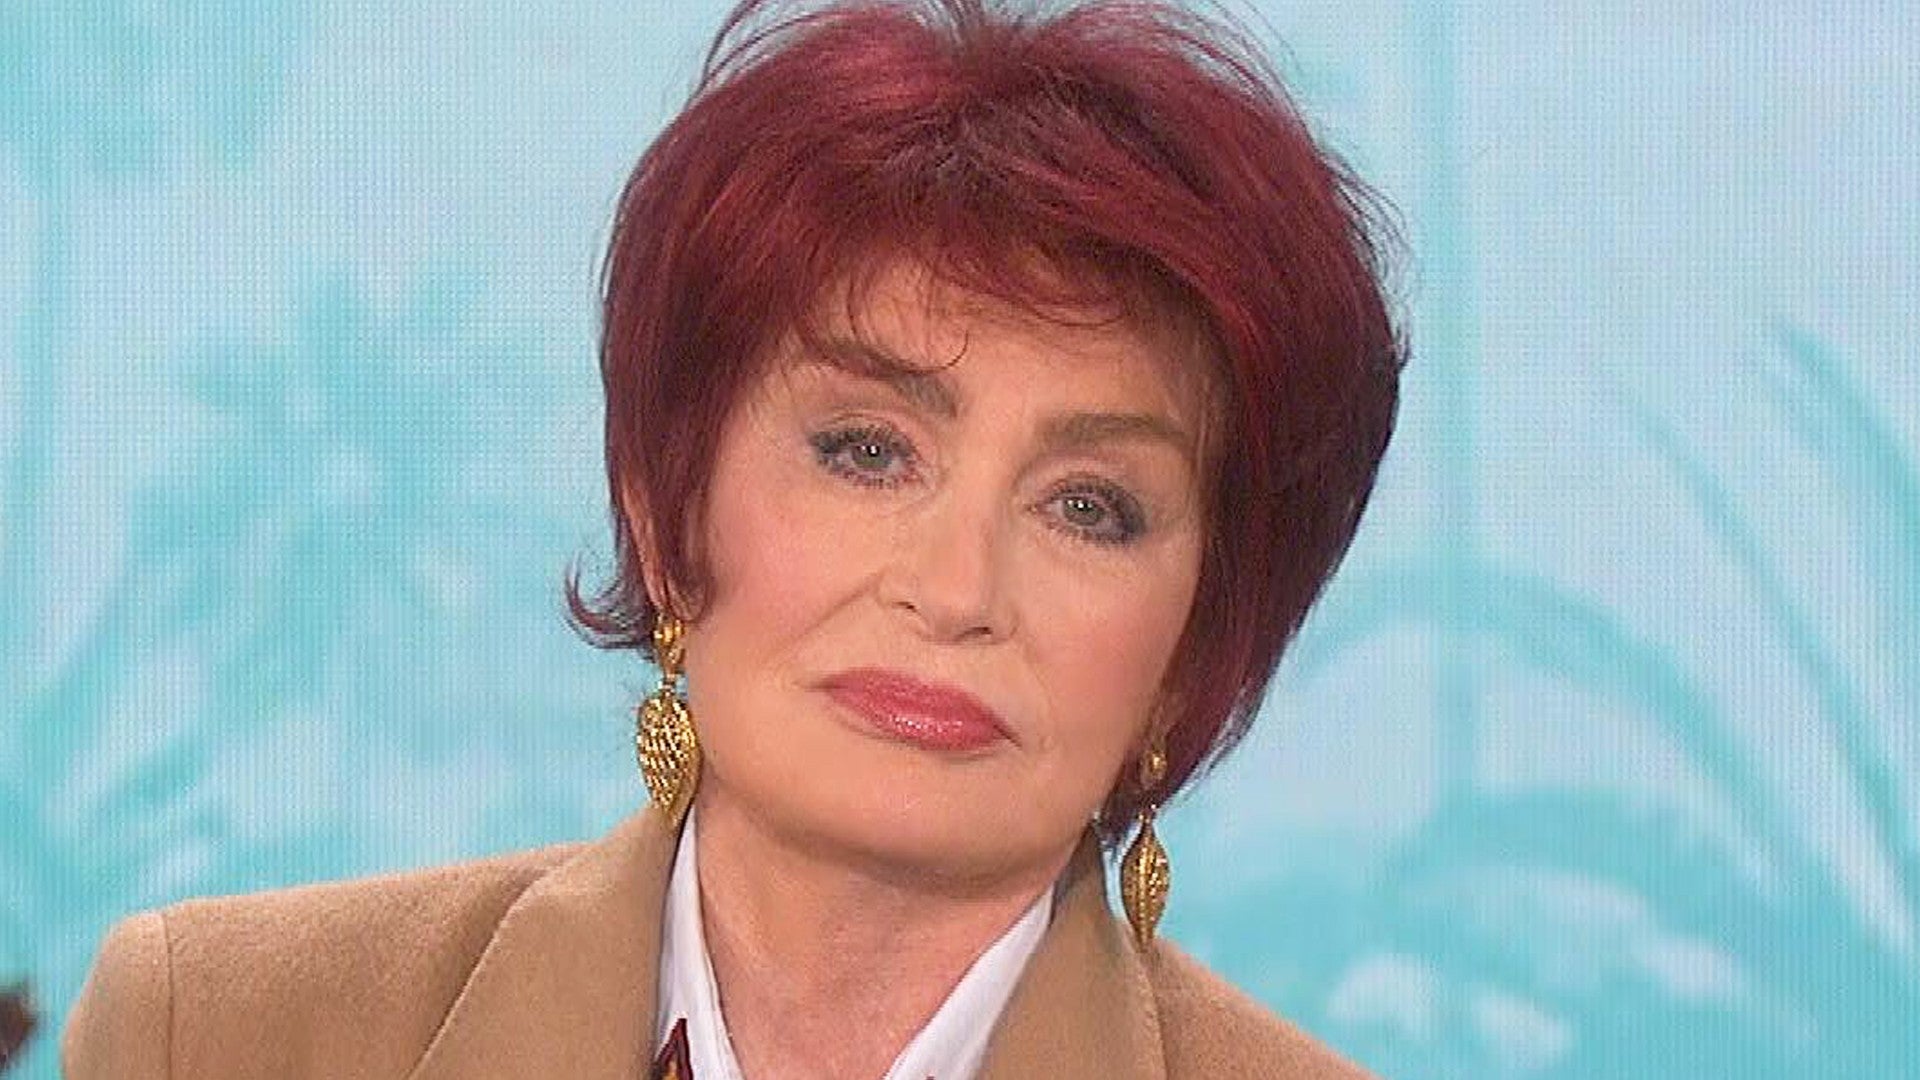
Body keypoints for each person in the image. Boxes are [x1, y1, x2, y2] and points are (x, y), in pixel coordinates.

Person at [63, 0, 1402, 1075]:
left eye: (1088, 507)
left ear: (1194, 649)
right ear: (665, 507)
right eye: (867, 450)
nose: (956, 590)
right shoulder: (216, 1033)